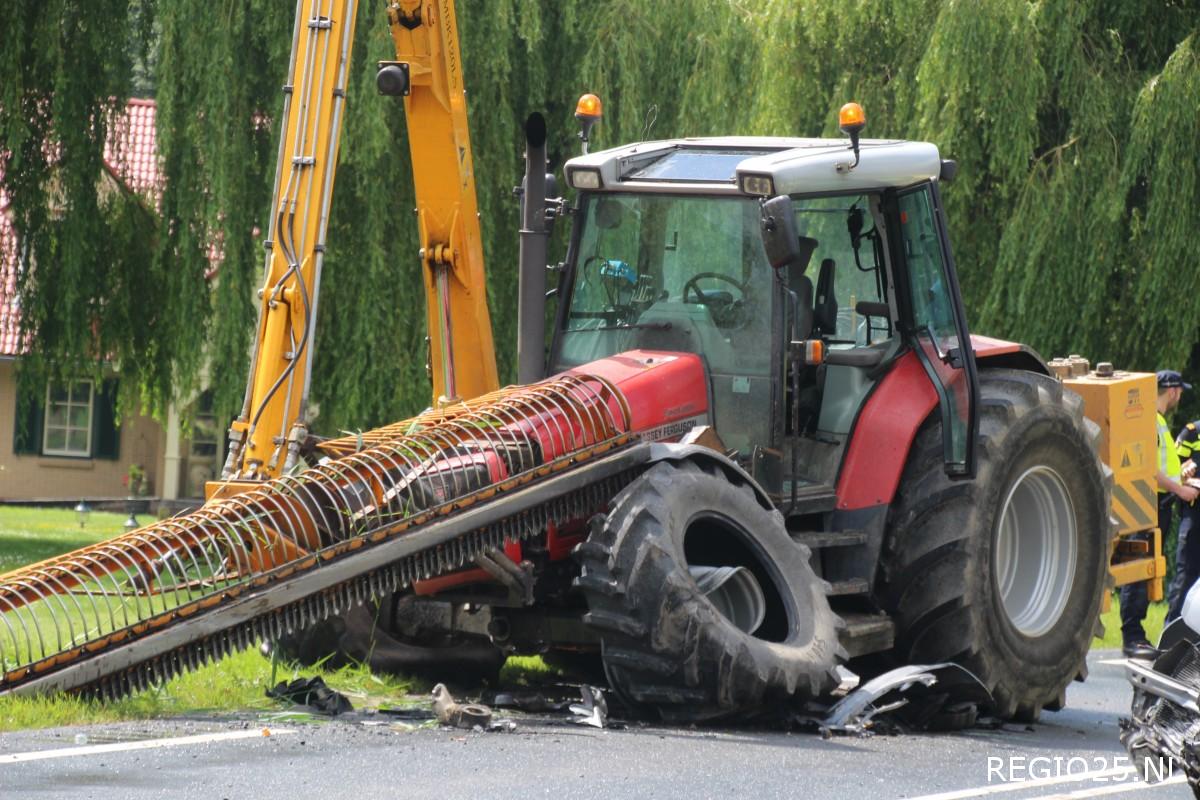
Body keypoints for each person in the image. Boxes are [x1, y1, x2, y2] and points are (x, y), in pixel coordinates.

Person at [1121, 370, 1199, 658]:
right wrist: (1180, 490)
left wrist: (1182, 474)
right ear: (1173, 390)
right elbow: (1148, 471)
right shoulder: (1150, 421)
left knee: (1144, 567)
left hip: (1157, 503)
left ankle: (1136, 636)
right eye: (1180, 390)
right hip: (1148, 503)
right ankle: (1132, 637)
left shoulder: (1157, 421)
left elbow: (1163, 468)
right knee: (1137, 568)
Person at [1167, 418, 1200, 622]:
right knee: (1186, 573)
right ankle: (1173, 628)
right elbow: (1172, 470)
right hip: (1194, 514)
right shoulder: (1192, 432)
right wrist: (1184, 474)